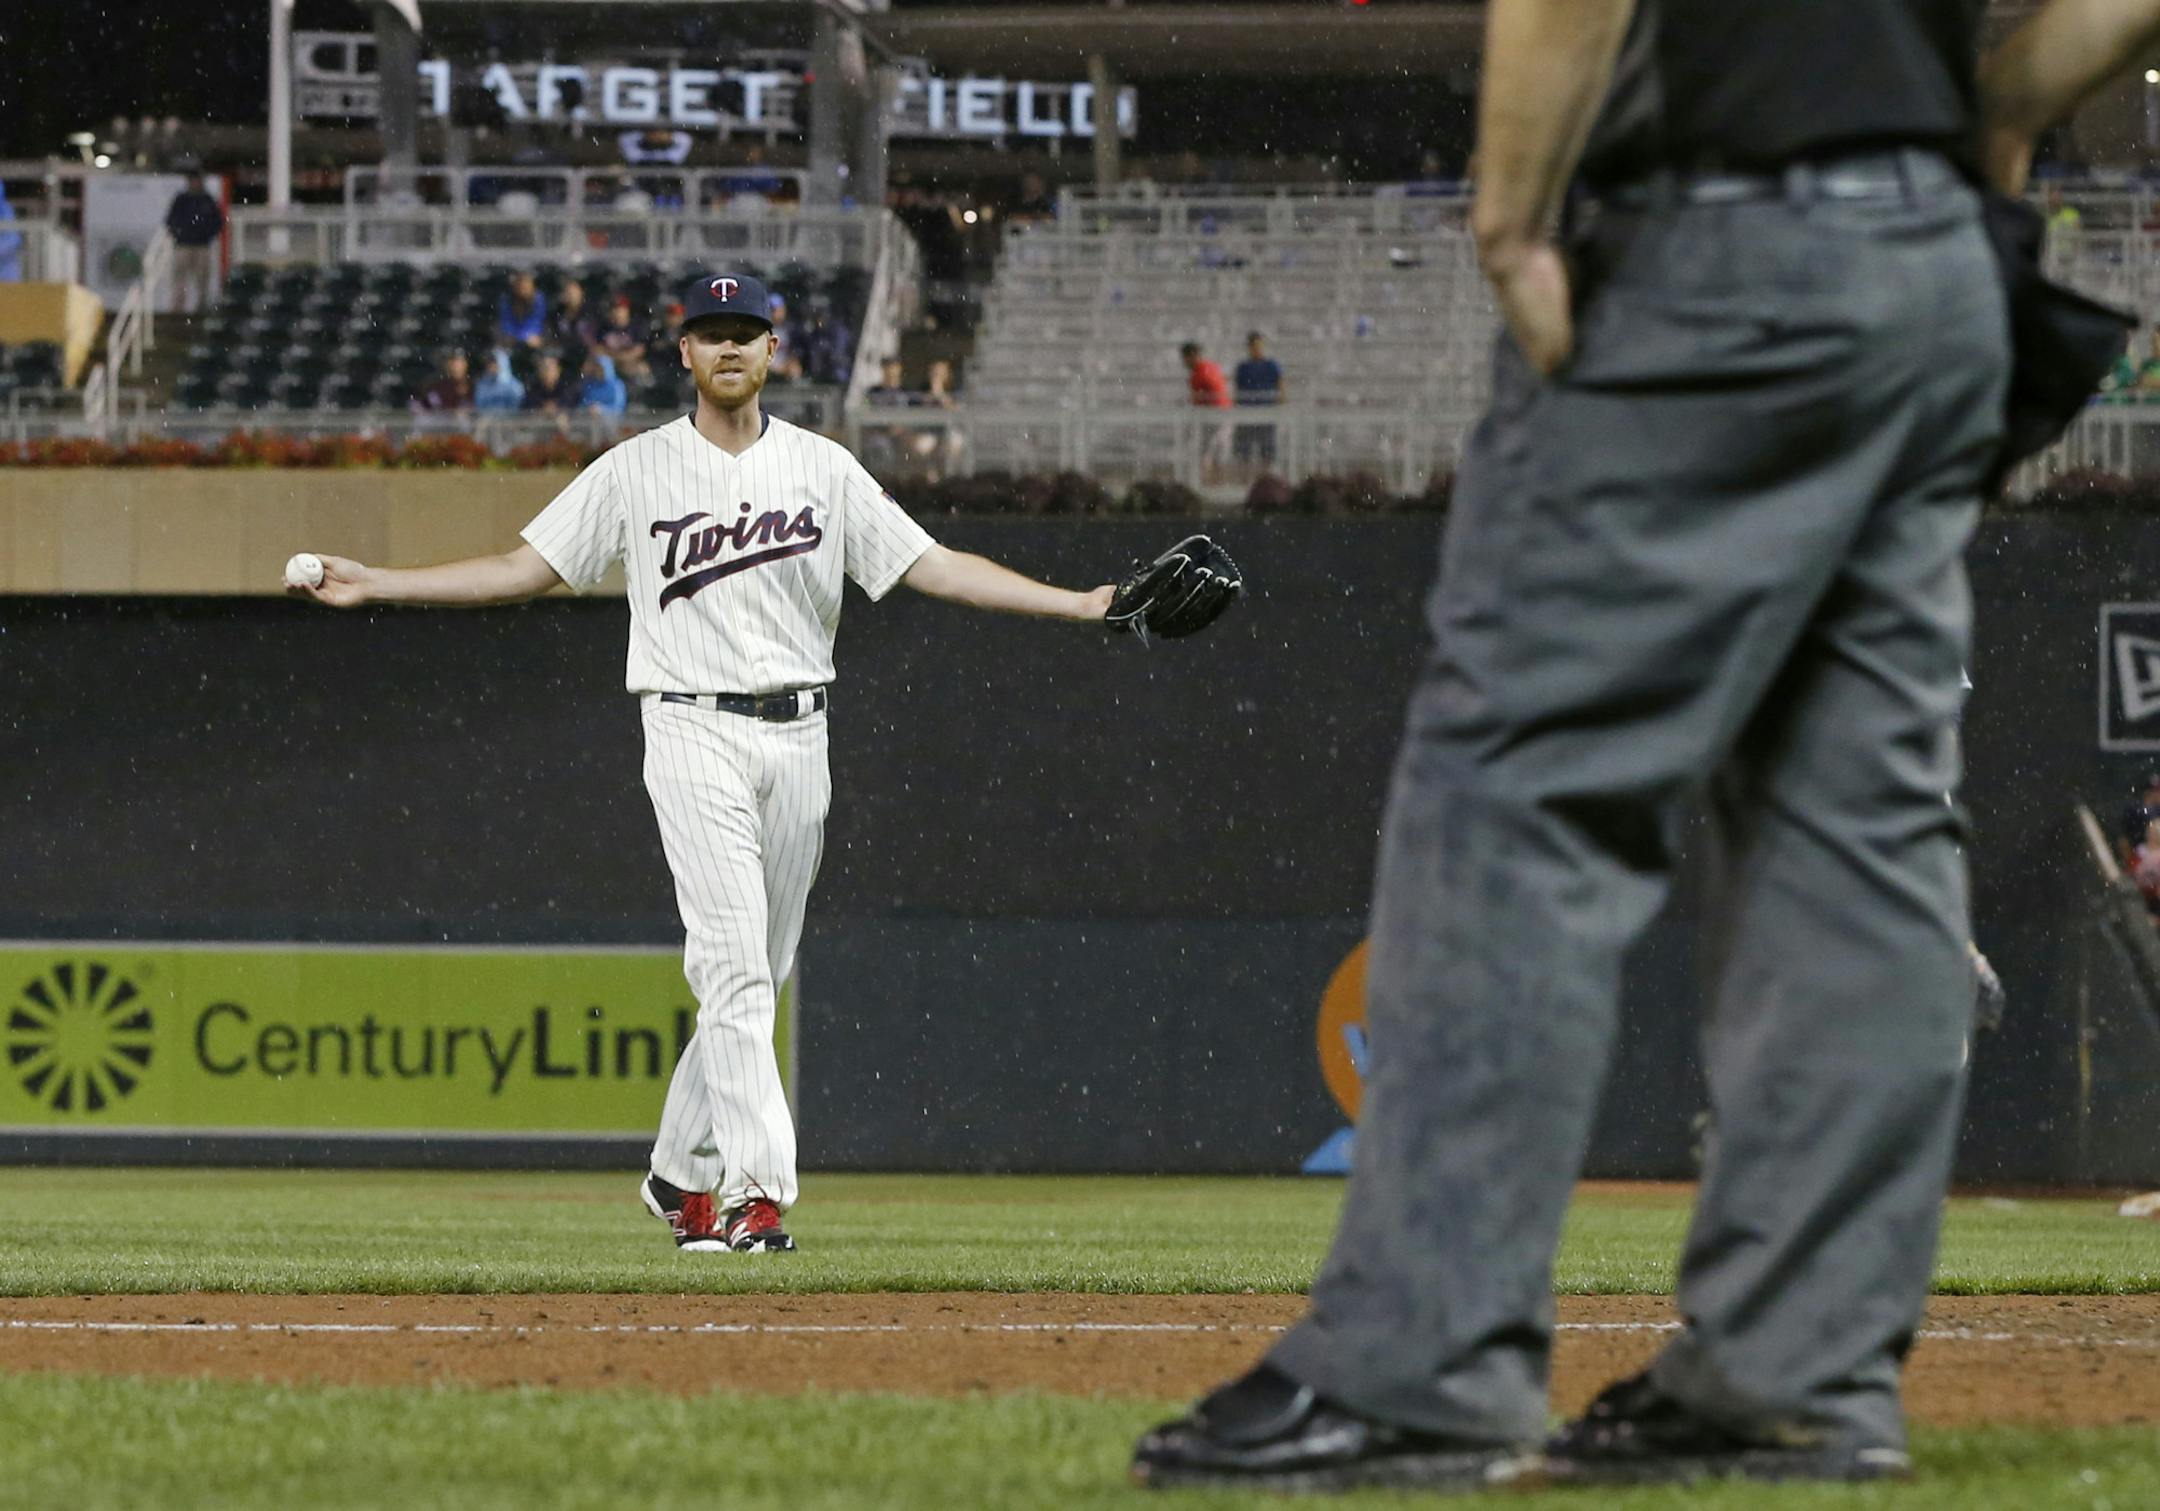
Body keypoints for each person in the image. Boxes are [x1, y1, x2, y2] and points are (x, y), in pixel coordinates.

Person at [1136, 0, 2158, 1494]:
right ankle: (1792, 1381)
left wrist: (1511, 208)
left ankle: (1419, 1362)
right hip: (1934, 251)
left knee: (1522, 789)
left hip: (1717, 235)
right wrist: (1997, 116)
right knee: (1850, 820)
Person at [285, 271, 1116, 1256]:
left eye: (745, 332)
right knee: (732, 968)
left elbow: (933, 564)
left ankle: (679, 1172)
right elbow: (523, 569)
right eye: (709, 332)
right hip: (689, 728)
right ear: (681, 352)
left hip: (803, 733)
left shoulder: (825, 469)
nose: (728, 347)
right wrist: (378, 582)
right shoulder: (634, 470)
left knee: (759, 970)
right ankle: (754, 1193)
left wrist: (1079, 603)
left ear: (775, 352)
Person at [163, 171, 224, 314]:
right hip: (183, 245)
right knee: (179, 279)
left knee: (202, 279)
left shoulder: (208, 200)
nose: (195, 184)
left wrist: (206, 235)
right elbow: (171, 220)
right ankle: (178, 309)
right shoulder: (182, 200)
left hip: (201, 245)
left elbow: (217, 222)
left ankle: (201, 308)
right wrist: (180, 233)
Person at [1232, 332, 1286, 470]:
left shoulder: (1271, 366)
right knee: (1243, 452)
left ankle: (1266, 478)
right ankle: (1245, 479)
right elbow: (1237, 390)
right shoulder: (1243, 367)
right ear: (1249, 347)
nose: (1257, 349)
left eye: (1260, 346)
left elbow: (1281, 387)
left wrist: (1278, 405)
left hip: (1266, 415)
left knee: (1267, 451)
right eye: (1254, 346)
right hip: (1247, 415)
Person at [1181, 341, 1231, 480]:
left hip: (1212, 416)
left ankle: (1206, 482)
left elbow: (1195, 398)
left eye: (1185, 358)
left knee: (1205, 453)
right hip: (1224, 414)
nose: (1184, 362)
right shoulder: (1212, 367)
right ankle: (1217, 482)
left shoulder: (1199, 373)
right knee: (1218, 452)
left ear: (1191, 356)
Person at [497, 271, 548, 348]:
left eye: (526, 287)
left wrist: (526, 336)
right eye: (520, 287)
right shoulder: (507, 299)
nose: (523, 290)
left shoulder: (539, 299)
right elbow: (506, 321)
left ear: (532, 287)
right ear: (515, 287)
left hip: (533, 337)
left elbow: (537, 321)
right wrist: (513, 336)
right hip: (511, 338)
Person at [548, 278, 595, 353]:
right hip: (563, 351)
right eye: (568, 292)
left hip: (586, 351)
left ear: (581, 292)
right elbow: (554, 334)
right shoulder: (558, 313)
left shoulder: (590, 312)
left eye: (574, 291)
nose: (571, 295)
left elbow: (592, 337)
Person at [578, 352, 627, 416]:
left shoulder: (616, 385)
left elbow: (619, 408)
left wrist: (602, 410)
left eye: (601, 368)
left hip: (612, 422)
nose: (598, 371)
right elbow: (584, 402)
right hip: (590, 421)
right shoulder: (591, 384)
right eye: (596, 368)